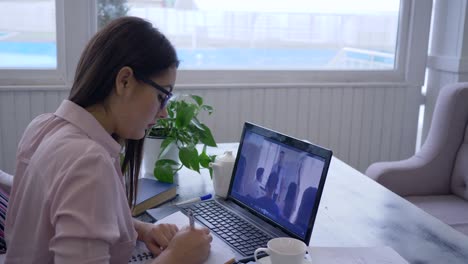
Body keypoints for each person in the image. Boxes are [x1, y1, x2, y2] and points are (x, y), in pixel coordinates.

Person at [5, 17, 211, 264]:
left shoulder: (43, 126)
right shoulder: (88, 162)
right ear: (124, 81)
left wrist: (141, 230)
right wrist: (178, 257)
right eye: (162, 96)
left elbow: (63, 216)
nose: (164, 112)